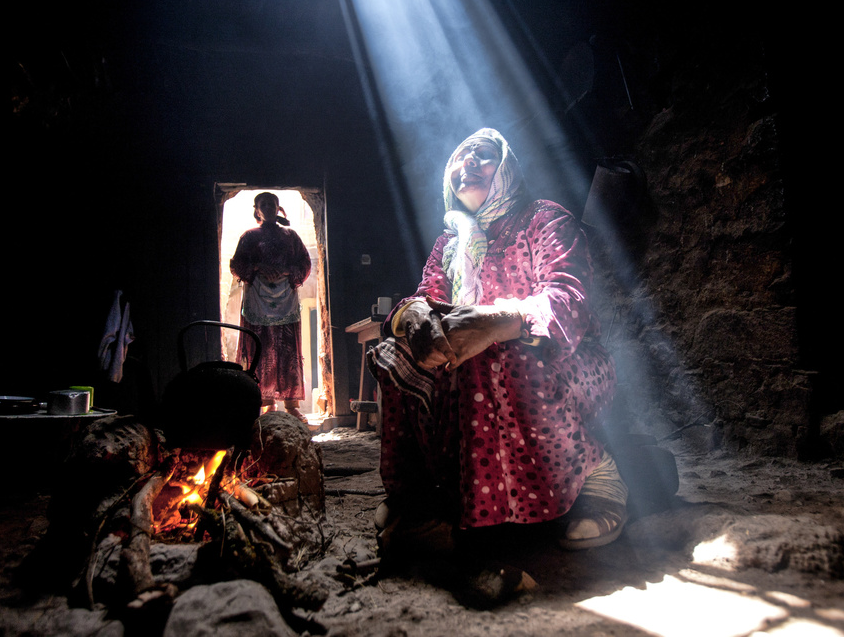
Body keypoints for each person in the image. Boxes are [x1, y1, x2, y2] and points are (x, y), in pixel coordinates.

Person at [369, 129, 626, 554]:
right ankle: (418, 492)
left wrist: (498, 321)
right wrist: (410, 314)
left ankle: (596, 475)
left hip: (565, 360)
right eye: (460, 158)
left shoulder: (544, 219)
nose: (467, 164)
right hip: (473, 368)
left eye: (483, 156)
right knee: (396, 356)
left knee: (500, 357)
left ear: (507, 168)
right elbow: (427, 296)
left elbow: (568, 297)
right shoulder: (450, 245)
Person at [230, 192, 311, 423]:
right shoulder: (248, 237)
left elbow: (304, 263)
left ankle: (292, 404)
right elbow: (237, 264)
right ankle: (266, 403)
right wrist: (257, 267)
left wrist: (286, 272)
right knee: (261, 349)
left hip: (285, 299)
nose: (267, 207)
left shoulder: (291, 236)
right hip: (258, 299)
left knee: (287, 350)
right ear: (257, 209)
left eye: (271, 203)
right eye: (263, 204)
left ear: (278, 207)